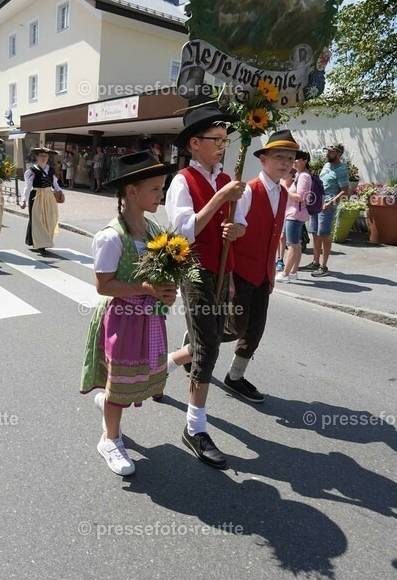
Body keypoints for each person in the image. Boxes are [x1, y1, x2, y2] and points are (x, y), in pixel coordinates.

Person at [80, 151, 175, 476]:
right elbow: (104, 285)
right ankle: (110, 438)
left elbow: (159, 272)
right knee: (119, 382)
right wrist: (147, 289)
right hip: (121, 319)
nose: (160, 195)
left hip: (146, 318)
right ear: (132, 191)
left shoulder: (152, 229)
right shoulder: (110, 237)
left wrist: (166, 289)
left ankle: (109, 402)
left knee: (125, 380)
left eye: (161, 188)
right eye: (154, 189)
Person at [162, 106, 246, 469]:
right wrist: (220, 198)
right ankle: (195, 427)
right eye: (216, 140)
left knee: (222, 332)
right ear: (195, 144)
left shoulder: (229, 177)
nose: (222, 146)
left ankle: (167, 362)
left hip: (223, 267)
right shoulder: (182, 180)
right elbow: (184, 231)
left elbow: (239, 223)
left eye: (225, 141)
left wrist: (236, 229)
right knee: (208, 347)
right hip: (194, 269)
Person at [220, 131, 295, 403]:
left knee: (255, 331)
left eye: (290, 158)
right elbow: (231, 234)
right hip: (240, 272)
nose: (285, 163)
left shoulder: (284, 194)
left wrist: (272, 271)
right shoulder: (249, 189)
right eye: (279, 157)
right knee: (233, 328)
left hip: (263, 274)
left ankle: (235, 377)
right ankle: (193, 344)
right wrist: (228, 276)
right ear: (263, 160)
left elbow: (275, 234)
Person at [305, 143, 349, 277]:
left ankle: (324, 266)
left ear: (339, 154)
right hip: (317, 203)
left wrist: (330, 203)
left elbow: (345, 191)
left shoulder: (341, 170)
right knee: (315, 233)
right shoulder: (326, 165)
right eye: (327, 151)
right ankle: (315, 262)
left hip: (327, 206)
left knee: (324, 235)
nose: (327, 154)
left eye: (331, 152)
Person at [20, 145, 62, 256]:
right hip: (36, 196)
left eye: (45, 156)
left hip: (49, 196)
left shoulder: (50, 170)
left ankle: (41, 240)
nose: (43, 158)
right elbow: (28, 186)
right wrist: (23, 200)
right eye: (41, 156)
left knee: (49, 219)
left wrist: (60, 191)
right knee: (38, 220)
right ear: (37, 157)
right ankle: (41, 245)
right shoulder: (32, 171)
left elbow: (55, 184)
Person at [279, 149, 312, 282]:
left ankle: (285, 274)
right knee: (296, 244)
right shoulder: (301, 174)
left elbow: (301, 196)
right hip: (295, 214)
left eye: (296, 159)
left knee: (292, 245)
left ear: (304, 161)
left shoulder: (303, 176)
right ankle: (293, 272)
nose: (293, 161)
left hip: (295, 214)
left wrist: (284, 192)